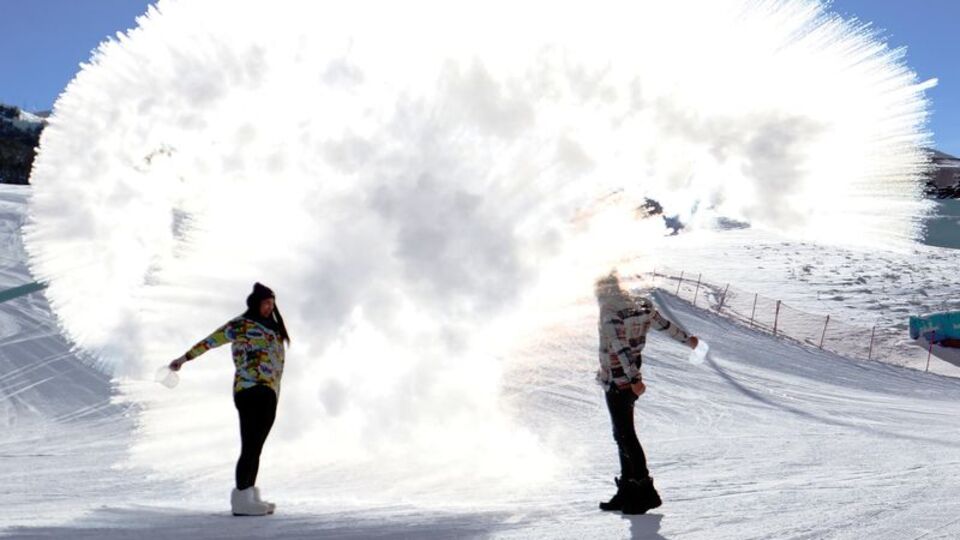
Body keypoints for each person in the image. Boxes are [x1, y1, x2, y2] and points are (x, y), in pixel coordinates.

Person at [169, 282, 290, 516]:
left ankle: (250, 494)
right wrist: (183, 359)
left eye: (272, 304)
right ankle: (241, 498)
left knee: (257, 445)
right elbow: (210, 341)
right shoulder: (241, 325)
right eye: (266, 303)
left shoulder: (274, 328)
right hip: (249, 389)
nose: (269, 307)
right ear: (256, 303)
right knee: (250, 443)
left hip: (270, 391)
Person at [594, 271, 698, 515]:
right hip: (628, 374)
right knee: (621, 434)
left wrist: (633, 380)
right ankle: (627, 492)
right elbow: (665, 325)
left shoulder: (610, 312)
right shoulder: (641, 305)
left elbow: (619, 349)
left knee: (626, 435)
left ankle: (644, 493)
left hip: (618, 378)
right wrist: (688, 340)